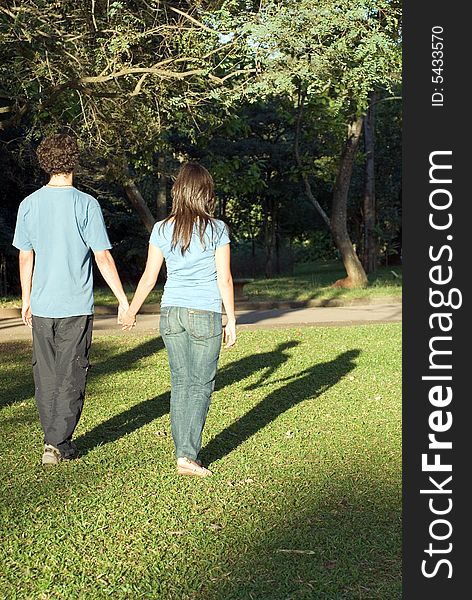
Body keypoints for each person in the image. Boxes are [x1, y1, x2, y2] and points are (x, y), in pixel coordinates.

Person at [12, 133, 129, 466]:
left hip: (43, 304)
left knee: (46, 372)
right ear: (73, 160)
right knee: (72, 372)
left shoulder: (29, 204)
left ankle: (54, 437)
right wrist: (122, 299)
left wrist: (26, 299)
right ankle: (57, 441)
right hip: (75, 305)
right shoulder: (86, 204)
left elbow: (25, 257)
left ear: (45, 162)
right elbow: (102, 257)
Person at [121, 162, 236, 477]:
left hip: (171, 314)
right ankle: (187, 455)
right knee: (200, 384)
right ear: (205, 193)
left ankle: (183, 453)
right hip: (205, 313)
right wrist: (232, 320)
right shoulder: (217, 229)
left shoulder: (161, 228)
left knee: (181, 382)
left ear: (179, 192)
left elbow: (148, 277)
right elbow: (224, 279)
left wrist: (132, 310)